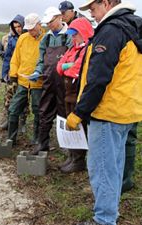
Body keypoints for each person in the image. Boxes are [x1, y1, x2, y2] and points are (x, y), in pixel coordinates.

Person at [66, 0, 142, 224]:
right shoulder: (134, 26)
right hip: (128, 110)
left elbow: (98, 79)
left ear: (107, 3)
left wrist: (79, 112)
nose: (92, 15)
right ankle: (110, 213)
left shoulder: (110, 31)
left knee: (102, 169)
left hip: (107, 112)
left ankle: (104, 220)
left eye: (93, 9)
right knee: (115, 167)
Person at [29, 7, 72, 155]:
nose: (50, 25)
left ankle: (67, 145)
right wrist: (37, 71)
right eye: (47, 23)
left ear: (60, 17)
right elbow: (41, 60)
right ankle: (42, 144)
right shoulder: (46, 39)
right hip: (48, 81)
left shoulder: (69, 36)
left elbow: (75, 59)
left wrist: (68, 67)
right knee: (44, 111)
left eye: (51, 21)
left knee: (64, 113)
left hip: (65, 83)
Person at [56, 18, 94, 173]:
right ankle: (72, 156)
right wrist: (65, 66)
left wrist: (66, 67)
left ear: (83, 33)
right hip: (68, 95)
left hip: (78, 95)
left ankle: (79, 160)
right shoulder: (73, 49)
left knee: (79, 126)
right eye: (71, 35)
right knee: (69, 123)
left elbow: (76, 71)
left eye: (75, 34)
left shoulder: (87, 49)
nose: (72, 38)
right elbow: (58, 67)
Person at [7, 13, 44, 145]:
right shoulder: (22, 38)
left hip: (38, 83)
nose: (30, 32)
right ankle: (11, 139)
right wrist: (13, 73)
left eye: (32, 29)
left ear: (39, 25)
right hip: (22, 81)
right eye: (28, 29)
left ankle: (37, 140)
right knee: (13, 109)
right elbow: (15, 58)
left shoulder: (46, 38)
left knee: (38, 111)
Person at [0, 14, 28, 131]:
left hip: (25, 74)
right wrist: (4, 74)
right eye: (15, 26)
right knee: (9, 97)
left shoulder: (28, 38)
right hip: (12, 73)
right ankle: (9, 120)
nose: (17, 29)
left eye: (19, 26)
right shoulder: (11, 40)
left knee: (24, 100)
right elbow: (7, 58)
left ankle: (22, 122)